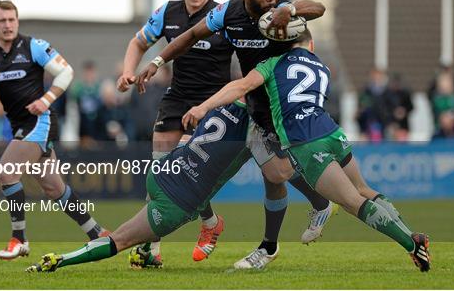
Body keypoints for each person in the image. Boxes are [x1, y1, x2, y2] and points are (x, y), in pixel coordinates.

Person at [182, 28, 431, 272]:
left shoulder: (273, 63)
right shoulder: (322, 67)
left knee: (351, 201)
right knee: (363, 189)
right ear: (310, 45)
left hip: (305, 141)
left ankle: (411, 243)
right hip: (331, 131)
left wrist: (203, 107)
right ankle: (411, 234)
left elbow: (242, 86)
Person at [136, 0, 334, 269]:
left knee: (276, 174)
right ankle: (288, 223)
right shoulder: (227, 13)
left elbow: (317, 8)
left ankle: (275, 237)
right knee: (269, 172)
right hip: (249, 102)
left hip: (281, 104)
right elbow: (191, 35)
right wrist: (158, 60)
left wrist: (289, 9)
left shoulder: (281, 8)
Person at [26, 99, 292, 273]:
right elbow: (277, 173)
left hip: (160, 172)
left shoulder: (224, 101)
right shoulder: (257, 129)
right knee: (119, 240)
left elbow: (192, 135)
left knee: (197, 163)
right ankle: (60, 260)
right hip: (175, 202)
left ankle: (160, 247)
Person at [0, 0, 108, 260]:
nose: (7, 25)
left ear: (17, 21)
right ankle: (98, 233)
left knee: (7, 172)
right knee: (55, 189)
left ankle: (19, 239)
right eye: (2, 20)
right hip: (20, 125)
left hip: (40, 121)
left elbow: (66, 72)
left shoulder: (34, 46)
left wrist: (46, 100)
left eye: (12, 19)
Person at [117, 0, 236, 263]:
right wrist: (128, 72)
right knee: (160, 169)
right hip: (178, 96)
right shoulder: (168, 13)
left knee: (188, 171)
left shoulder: (223, 16)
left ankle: (209, 224)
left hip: (213, 102)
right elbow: (138, 42)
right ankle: (151, 248)